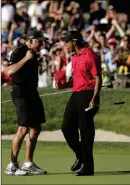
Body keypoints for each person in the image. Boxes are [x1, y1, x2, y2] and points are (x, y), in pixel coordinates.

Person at [56, 31, 102, 176]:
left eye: (67, 42)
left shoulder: (90, 55)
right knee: (66, 127)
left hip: (88, 95)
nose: (65, 44)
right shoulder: (75, 57)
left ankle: (88, 168)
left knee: (85, 131)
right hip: (76, 94)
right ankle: (81, 155)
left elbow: (98, 78)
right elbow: (76, 79)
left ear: (74, 42)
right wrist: (63, 85)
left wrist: (94, 98)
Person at [4, 29, 48, 176]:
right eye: (39, 41)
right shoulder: (18, 52)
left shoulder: (35, 54)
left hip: (32, 92)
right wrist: (25, 59)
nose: (42, 43)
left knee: (36, 128)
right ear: (30, 41)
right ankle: (12, 165)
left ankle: (28, 163)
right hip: (20, 92)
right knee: (23, 129)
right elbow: (9, 71)